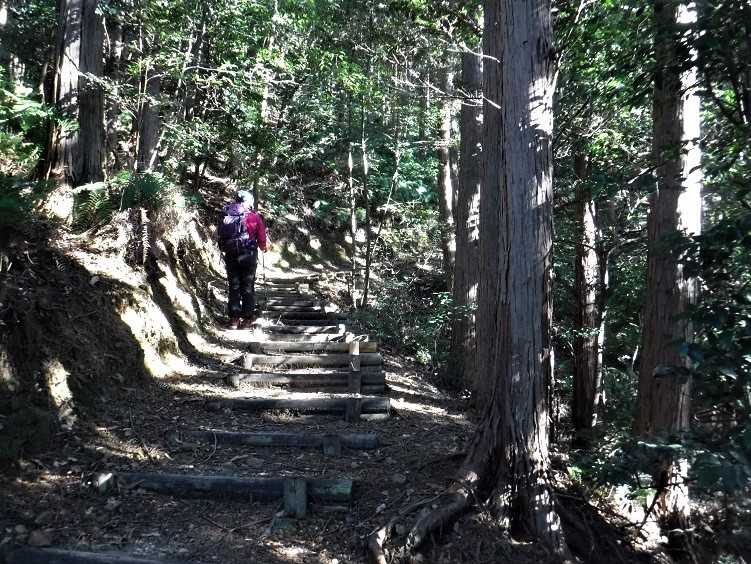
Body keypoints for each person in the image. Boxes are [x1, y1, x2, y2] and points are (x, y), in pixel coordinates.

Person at [218, 189, 267, 329]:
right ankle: (247, 319)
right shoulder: (254, 216)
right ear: (249, 202)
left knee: (234, 286)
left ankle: (234, 319)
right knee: (247, 285)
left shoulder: (226, 213)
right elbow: (262, 238)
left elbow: (220, 233)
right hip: (248, 254)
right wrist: (263, 247)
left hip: (231, 253)